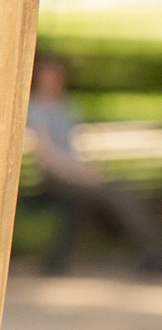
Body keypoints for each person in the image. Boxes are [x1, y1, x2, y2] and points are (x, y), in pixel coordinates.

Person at [24, 49, 162, 273]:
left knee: (124, 189)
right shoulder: (35, 108)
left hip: (78, 174)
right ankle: (151, 251)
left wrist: (91, 171)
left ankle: (151, 251)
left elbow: (78, 147)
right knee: (113, 195)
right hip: (56, 178)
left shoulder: (67, 106)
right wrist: (81, 176)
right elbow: (47, 156)